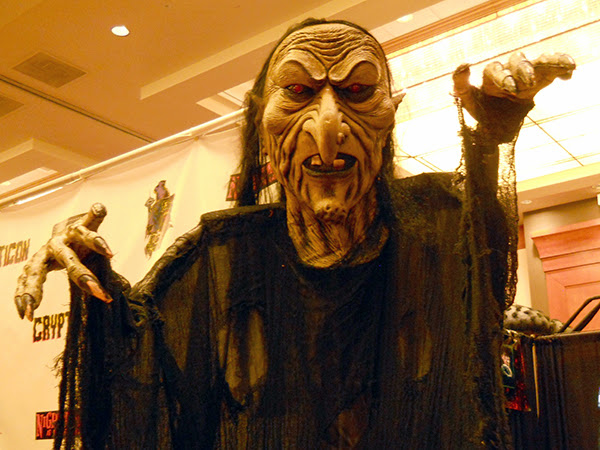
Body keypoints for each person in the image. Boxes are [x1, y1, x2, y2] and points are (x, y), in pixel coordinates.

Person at [14, 18, 574, 449]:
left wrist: (492, 137)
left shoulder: (437, 225)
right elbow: (139, 368)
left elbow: (482, 274)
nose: (328, 127)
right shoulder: (222, 255)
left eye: (358, 91)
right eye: (299, 92)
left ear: (391, 113)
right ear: (264, 122)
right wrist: (97, 281)